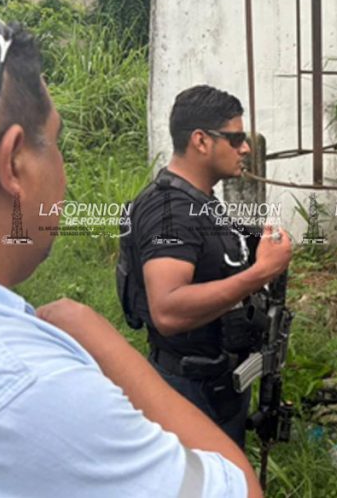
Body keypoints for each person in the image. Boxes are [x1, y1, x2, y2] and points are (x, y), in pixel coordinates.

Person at [0, 0, 259, 497]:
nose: (245, 148)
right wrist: (106, 348)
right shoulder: (20, 390)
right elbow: (236, 489)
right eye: (55, 140)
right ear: (14, 164)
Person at [126, 85, 293, 449]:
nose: (245, 148)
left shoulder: (198, 200)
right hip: (189, 390)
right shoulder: (170, 213)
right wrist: (260, 273)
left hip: (215, 384)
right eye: (235, 139)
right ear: (201, 141)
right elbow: (167, 309)